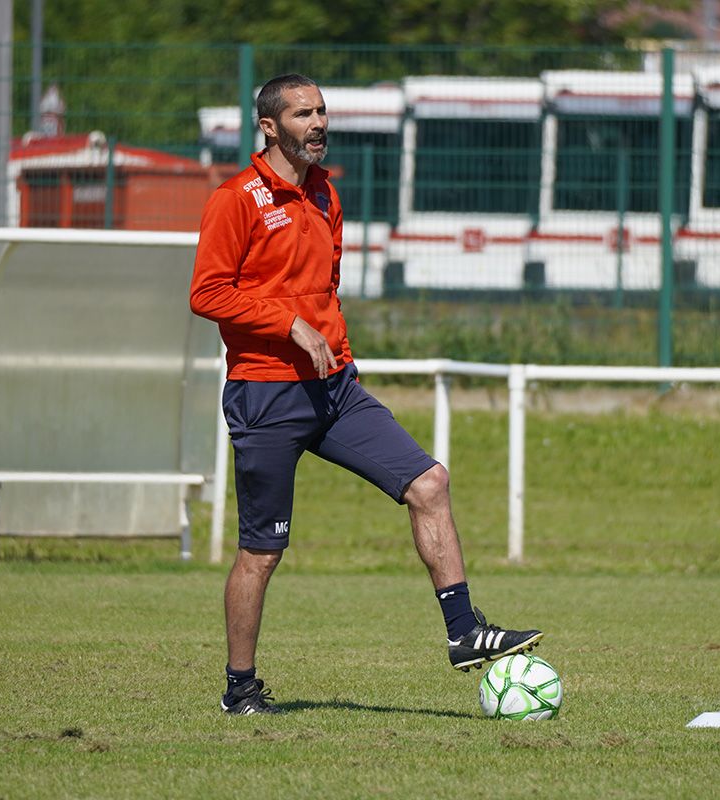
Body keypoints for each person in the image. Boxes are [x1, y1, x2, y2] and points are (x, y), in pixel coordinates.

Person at [190, 74, 542, 715]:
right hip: (265, 395)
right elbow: (207, 294)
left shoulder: (327, 195)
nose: (318, 122)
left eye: (323, 110)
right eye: (303, 113)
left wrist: (329, 343)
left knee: (429, 482)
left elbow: (324, 288)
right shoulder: (235, 199)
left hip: (334, 390)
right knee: (262, 552)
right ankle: (241, 687)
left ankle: (464, 631)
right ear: (270, 126)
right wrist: (286, 324)